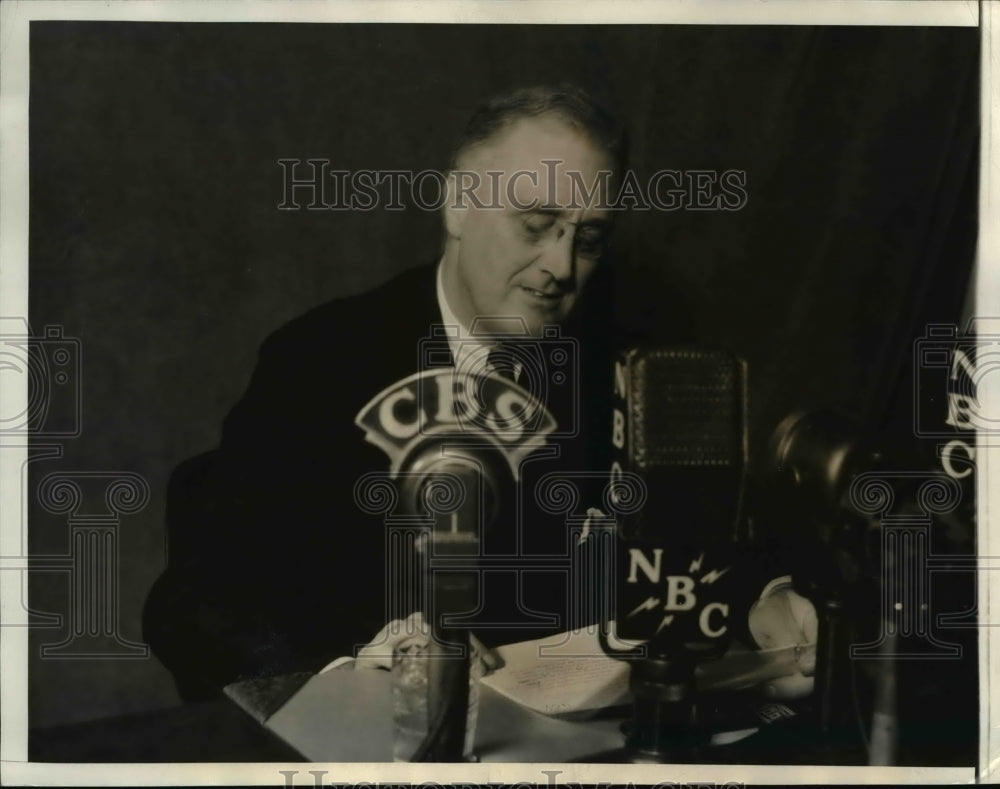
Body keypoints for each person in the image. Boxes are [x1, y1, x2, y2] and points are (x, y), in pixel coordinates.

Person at [143, 84, 815, 704]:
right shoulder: (321, 358)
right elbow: (201, 596)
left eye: (589, 237)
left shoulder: (622, 368)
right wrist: (339, 674)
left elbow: (702, 535)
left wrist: (765, 593)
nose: (560, 266)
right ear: (459, 204)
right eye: (535, 223)